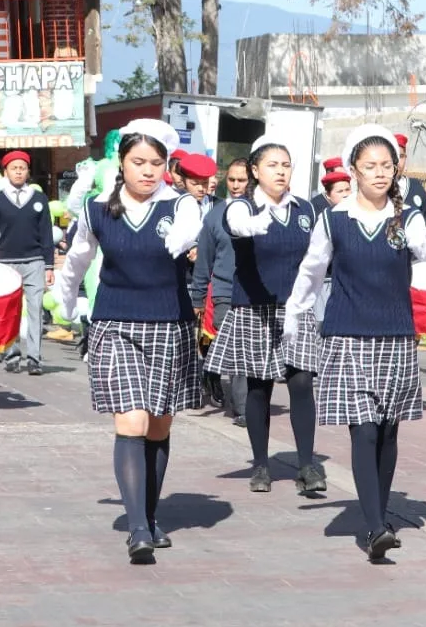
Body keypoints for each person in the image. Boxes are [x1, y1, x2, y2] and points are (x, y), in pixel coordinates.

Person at [54, 119, 205, 564]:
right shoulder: (97, 209)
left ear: (167, 166)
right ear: (120, 162)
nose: (147, 171)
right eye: (138, 162)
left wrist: (180, 235)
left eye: (156, 164)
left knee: (159, 424)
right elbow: (77, 261)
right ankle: (137, 529)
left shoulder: (181, 206)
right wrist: (65, 303)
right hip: (114, 325)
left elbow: (184, 237)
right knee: (132, 423)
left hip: (170, 325)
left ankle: (150, 516)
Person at [285, 124, 426, 562]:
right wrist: (295, 316)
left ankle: (379, 512)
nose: (379, 173)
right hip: (348, 336)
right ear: (353, 169)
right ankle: (374, 527)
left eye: (387, 166)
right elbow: (312, 272)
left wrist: (418, 229)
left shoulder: (405, 216)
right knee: (364, 429)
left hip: (396, 335)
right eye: (370, 166)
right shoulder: (333, 220)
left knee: (388, 430)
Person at [208, 136, 325, 495]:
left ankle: (306, 464)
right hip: (255, 309)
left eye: (286, 165)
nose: (280, 171)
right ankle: (260, 465)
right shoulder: (241, 208)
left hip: (297, 309)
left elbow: (320, 255)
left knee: (302, 383)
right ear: (255, 171)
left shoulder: (305, 210)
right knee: (259, 388)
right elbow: (238, 224)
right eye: (272, 165)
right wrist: (256, 223)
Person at [0, 150, 55, 376]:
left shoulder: (38, 199)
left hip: (34, 261)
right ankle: (12, 355)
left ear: (28, 172)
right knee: (9, 311)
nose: (18, 172)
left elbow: (46, 233)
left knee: (36, 310)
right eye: (14, 168)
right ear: (6, 172)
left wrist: (49, 265)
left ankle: (34, 358)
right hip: (7, 262)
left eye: (22, 168)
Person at [191, 157, 250, 423]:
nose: (236, 185)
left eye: (242, 180)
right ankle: (243, 408)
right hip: (225, 292)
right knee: (237, 350)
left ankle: (250, 403)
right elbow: (204, 259)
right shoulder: (215, 216)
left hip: (255, 293)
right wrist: (199, 297)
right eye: (232, 179)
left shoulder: (261, 211)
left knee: (251, 351)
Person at [393, 133, 426, 233]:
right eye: (394, 156)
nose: (397, 162)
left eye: (401, 156)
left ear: (406, 158)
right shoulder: (380, 189)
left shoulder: (415, 187)